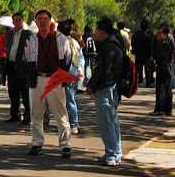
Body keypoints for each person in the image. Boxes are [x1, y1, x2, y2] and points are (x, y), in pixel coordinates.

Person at [24, 9, 72, 158]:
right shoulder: (31, 40)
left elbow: (68, 58)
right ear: (36, 22)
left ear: (51, 21)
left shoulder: (60, 39)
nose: (43, 21)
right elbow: (27, 59)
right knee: (36, 113)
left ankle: (65, 145)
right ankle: (37, 143)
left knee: (60, 113)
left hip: (54, 80)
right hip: (37, 79)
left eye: (45, 19)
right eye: (40, 19)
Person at [86, 17, 125, 166]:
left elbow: (102, 70)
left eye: (97, 30)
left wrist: (91, 84)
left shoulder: (108, 47)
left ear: (102, 31)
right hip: (112, 87)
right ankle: (115, 151)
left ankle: (112, 153)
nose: (95, 33)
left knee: (106, 122)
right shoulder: (116, 43)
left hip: (106, 88)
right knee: (112, 121)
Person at [3, 12, 33, 123]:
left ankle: (28, 115)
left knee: (25, 92)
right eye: (16, 20)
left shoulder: (28, 34)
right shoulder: (10, 33)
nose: (18, 22)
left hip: (22, 66)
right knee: (13, 91)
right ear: (13, 22)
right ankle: (15, 114)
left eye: (20, 20)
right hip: (11, 65)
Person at [58, 20, 83, 135]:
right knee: (70, 98)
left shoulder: (60, 41)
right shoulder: (74, 42)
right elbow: (79, 58)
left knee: (62, 100)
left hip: (64, 71)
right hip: (73, 71)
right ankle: (73, 123)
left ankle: (68, 123)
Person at [151, 25, 175, 116]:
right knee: (165, 87)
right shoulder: (162, 43)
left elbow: (164, 58)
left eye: (159, 33)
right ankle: (165, 109)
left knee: (163, 88)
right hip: (164, 68)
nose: (157, 35)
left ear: (165, 34)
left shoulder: (165, 44)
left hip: (165, 68)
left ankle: (162, 108)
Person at [131, 20, 155, 87]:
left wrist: (134, 51)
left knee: (138, 69)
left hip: (138, 53)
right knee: (148, 69)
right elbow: (152, 45)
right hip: (147, 54)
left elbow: (133, 43)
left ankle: (138, 81)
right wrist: (152, 54)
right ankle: (148, 82)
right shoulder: (150, 35)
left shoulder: (136, 34)